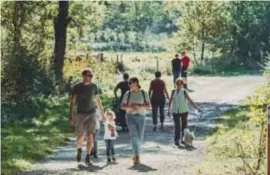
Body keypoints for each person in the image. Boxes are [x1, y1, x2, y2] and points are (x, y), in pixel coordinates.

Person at [69, 68, 105, 165]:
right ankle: (79, 149)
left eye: (91, 76)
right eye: (88, 75)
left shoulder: (94, 87)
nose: (90, 77)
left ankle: (88, 155)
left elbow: (98, 101)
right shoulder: (77, 87)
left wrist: (102, 114)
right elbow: (72, 102)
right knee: (80, 135)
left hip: (92, 113)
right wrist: (71, 116)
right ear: (83, 76)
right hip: (80, 113)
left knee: (90, 134)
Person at [121, 77, 151, 165]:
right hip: (130, 117)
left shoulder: (143, 93)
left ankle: (135, 154)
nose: (129, 85)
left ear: (136, 83)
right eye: (129, 83)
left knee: (139, 138)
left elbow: (149, 106)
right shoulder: (128, 94)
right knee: (134, 135)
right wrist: (131, 107)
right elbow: (122, 106)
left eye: (130, 83)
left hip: (141, 117)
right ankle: (137, 156)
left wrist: (139, 107)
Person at [168, 78, 201, 146]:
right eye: (177, 83)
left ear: (182, 84)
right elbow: (170, 100)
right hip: (175, 111)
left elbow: (190, 101)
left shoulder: (184, 91)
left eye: (179, 83)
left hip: (184, 111)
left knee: (184, 127)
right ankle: (177, 140)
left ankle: (184, 139)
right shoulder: (173, 91)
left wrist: (197, 108)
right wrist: (169, 110)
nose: (178, 85)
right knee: (177, 126)